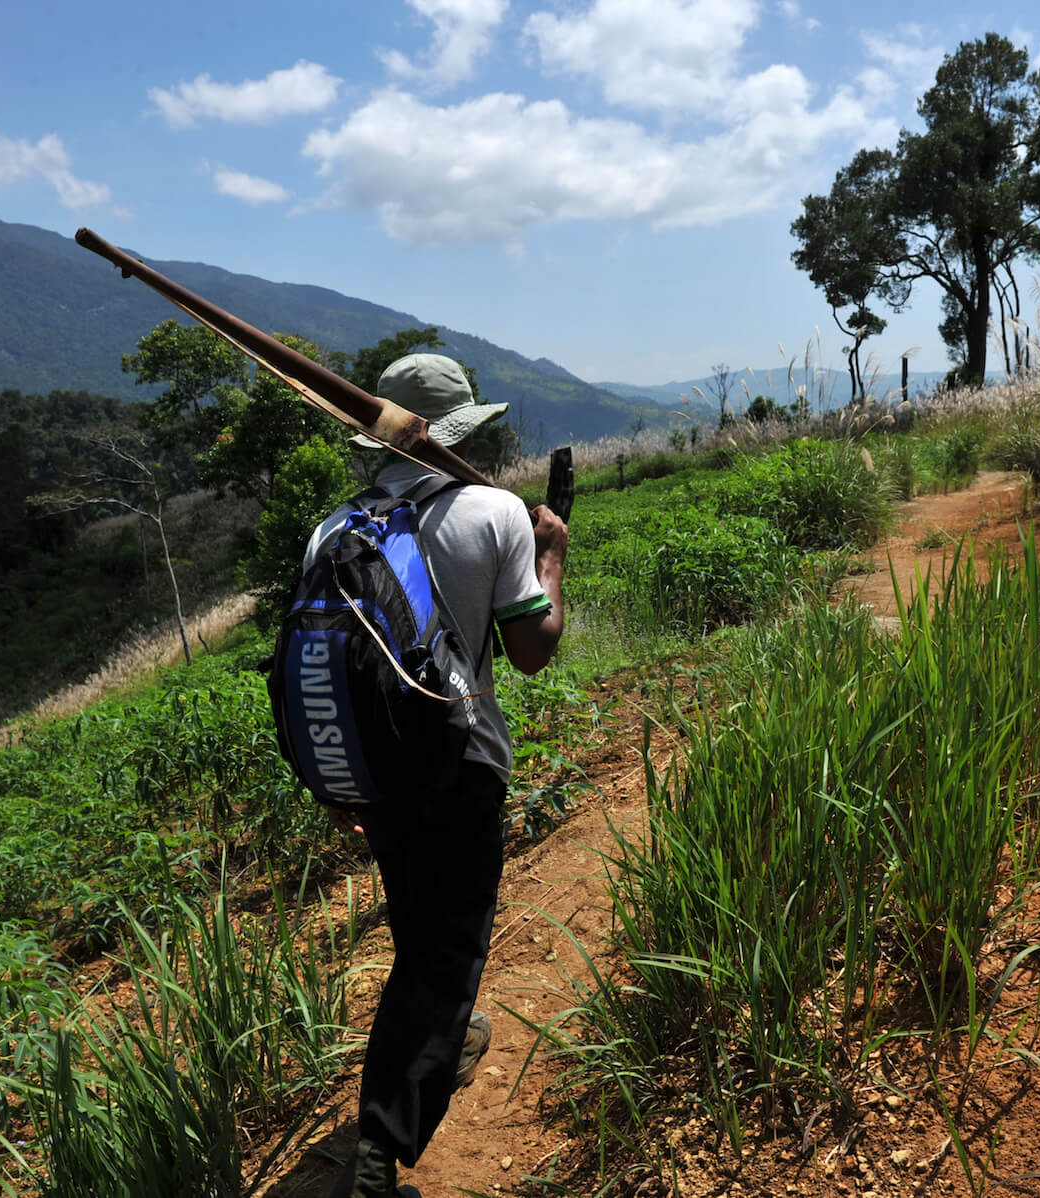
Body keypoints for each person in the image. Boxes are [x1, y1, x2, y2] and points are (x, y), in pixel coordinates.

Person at [314, 353, 567, 1198]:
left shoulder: (335, 528)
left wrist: (339, 779)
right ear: (461, 427)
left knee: (419, 926)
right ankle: (380, 1153)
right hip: (460, 763)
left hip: (376, 768)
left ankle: (441, 1041)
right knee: (449, 953)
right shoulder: (495, 512)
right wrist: (553, 553)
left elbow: (328, 663)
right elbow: (532, 652)